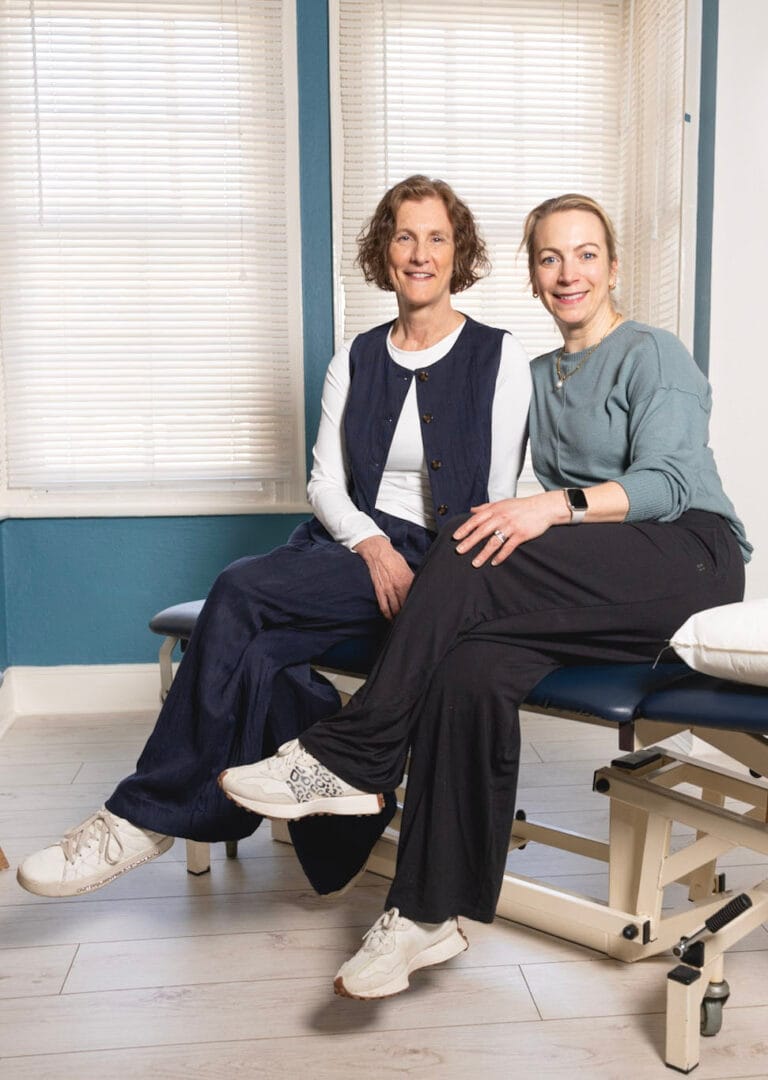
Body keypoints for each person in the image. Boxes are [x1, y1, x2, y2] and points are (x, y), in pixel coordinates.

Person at [219, 193, 751, 1001]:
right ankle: (426, 913)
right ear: (533, 277)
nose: (568, 272)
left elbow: (668, 482)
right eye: (549, 258)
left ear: (613, 267)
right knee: (470, 666)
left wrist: (549, 508)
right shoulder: (535, 376)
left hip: (689, 556)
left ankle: (354, 756)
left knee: (470, 548)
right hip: (602, 584)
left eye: (586, 254)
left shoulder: (652, 353)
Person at [16, 176, 530, 899]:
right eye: (405, 237)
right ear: (384, 253)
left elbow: (498, 500)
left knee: (240, 600)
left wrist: (439, 585)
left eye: (437, 238)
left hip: (437, 560)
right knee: (258, 649)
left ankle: (146, 815)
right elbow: (325, 483)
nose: (421, 254)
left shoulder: (498, 356)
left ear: (459, 251)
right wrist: (370, 545)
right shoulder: (355, 358)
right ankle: (329, 821)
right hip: (349, 546)